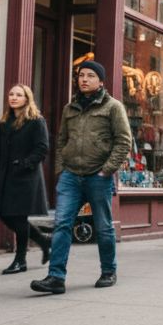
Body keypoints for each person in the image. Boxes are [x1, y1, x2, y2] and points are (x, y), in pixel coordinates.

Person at [31, 60, 131, 295]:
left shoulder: (113, 107)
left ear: (101, 81)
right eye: (81, 75)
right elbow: (61, 140)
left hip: (99, 176)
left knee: (103, 227)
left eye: (90, 76)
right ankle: (56, 277)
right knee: (62, 224)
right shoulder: (70, 108)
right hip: (71, 176)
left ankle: (108, 271)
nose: (84, 79)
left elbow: (124, 141)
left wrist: (107, 170)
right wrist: (61, 169)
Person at [0, 84, 51, 275]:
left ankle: (20, 260)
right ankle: (43, 241)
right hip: (7, 176)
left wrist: (24, 164)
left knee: (18, 217)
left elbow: (42, 148)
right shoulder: (5, 122)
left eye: (19, 95)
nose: (14, 97)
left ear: (27, 99)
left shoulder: (36, 121)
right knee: (5, 215)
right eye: (11, 94)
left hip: (26, 177)